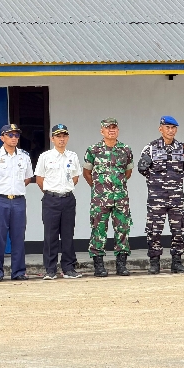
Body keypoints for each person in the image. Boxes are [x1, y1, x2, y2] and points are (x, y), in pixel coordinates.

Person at [138, 116, 184, 275]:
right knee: (154, 230)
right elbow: (142, 168)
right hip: (157, 197)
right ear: (160, 129)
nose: (170, 131)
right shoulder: (151, 147)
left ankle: (177, 262)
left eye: (173, 128)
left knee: (178, 230)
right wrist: (157, 182)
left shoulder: (181, 147)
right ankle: (154, 262)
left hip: (176, 196)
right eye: (167, 127)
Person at [0, 124, 34, 282]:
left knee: (18, 237)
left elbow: (28, 177)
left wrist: (15, 189)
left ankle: (18, 271)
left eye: (16, 135)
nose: (14, 138)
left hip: (18, 200)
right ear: (2, 137)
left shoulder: (24, 156)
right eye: (10, 135)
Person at [83, 118, 133, 277]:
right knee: (98, 230)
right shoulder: (93, 150)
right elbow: (87, 173)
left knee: (122, 229)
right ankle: (99, 266)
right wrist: (99, 188)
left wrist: (116, 185)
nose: (111, 130)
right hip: (100, 198)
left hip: (121, 198)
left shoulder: (125, 149)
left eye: (114, 127)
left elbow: (128, 172)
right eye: (108, 128)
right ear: (102, 131)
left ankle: (121, 265)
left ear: (117, 130)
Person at [35, 124, 83, 280]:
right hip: (51, 200)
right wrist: (52, 193)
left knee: (68, 235)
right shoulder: (45, 157)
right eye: (58, 137)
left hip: (68, 199)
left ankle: (68, 268)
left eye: (64, 136)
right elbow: (39, 179)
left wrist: (64, 190)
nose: (61, 139)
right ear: (52, 139)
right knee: (50, 235)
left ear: (67, 138)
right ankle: (50, 269)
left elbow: (76, 177)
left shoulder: (72, 156)